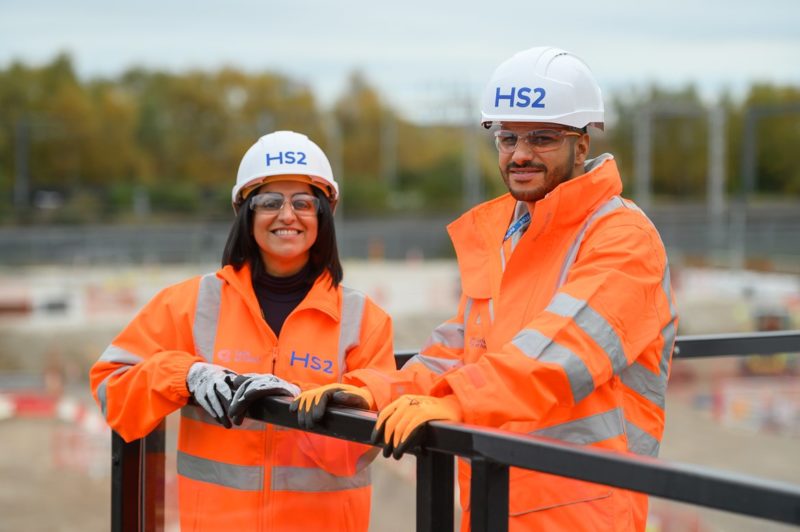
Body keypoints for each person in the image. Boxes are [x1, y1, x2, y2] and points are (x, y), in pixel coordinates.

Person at [294, 47, 678, 531]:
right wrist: (370, 394)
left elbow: (560, 355)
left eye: (542, 138)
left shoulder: (623, 240)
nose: (519, 153)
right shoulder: (509, 236)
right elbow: (457, 352)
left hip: (586, 512)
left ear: (582, 147)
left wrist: (456, 402)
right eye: (507, 137)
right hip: (495, 498)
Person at [89, 130, 395, 532]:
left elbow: (364, 439)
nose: (287, 215)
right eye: (270, 202)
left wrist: (306, 403)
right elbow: (113, 387)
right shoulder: (193, 304)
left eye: (303, 202)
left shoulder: (364, 320)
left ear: (323, 214)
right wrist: (186, 375)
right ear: (246, 212)